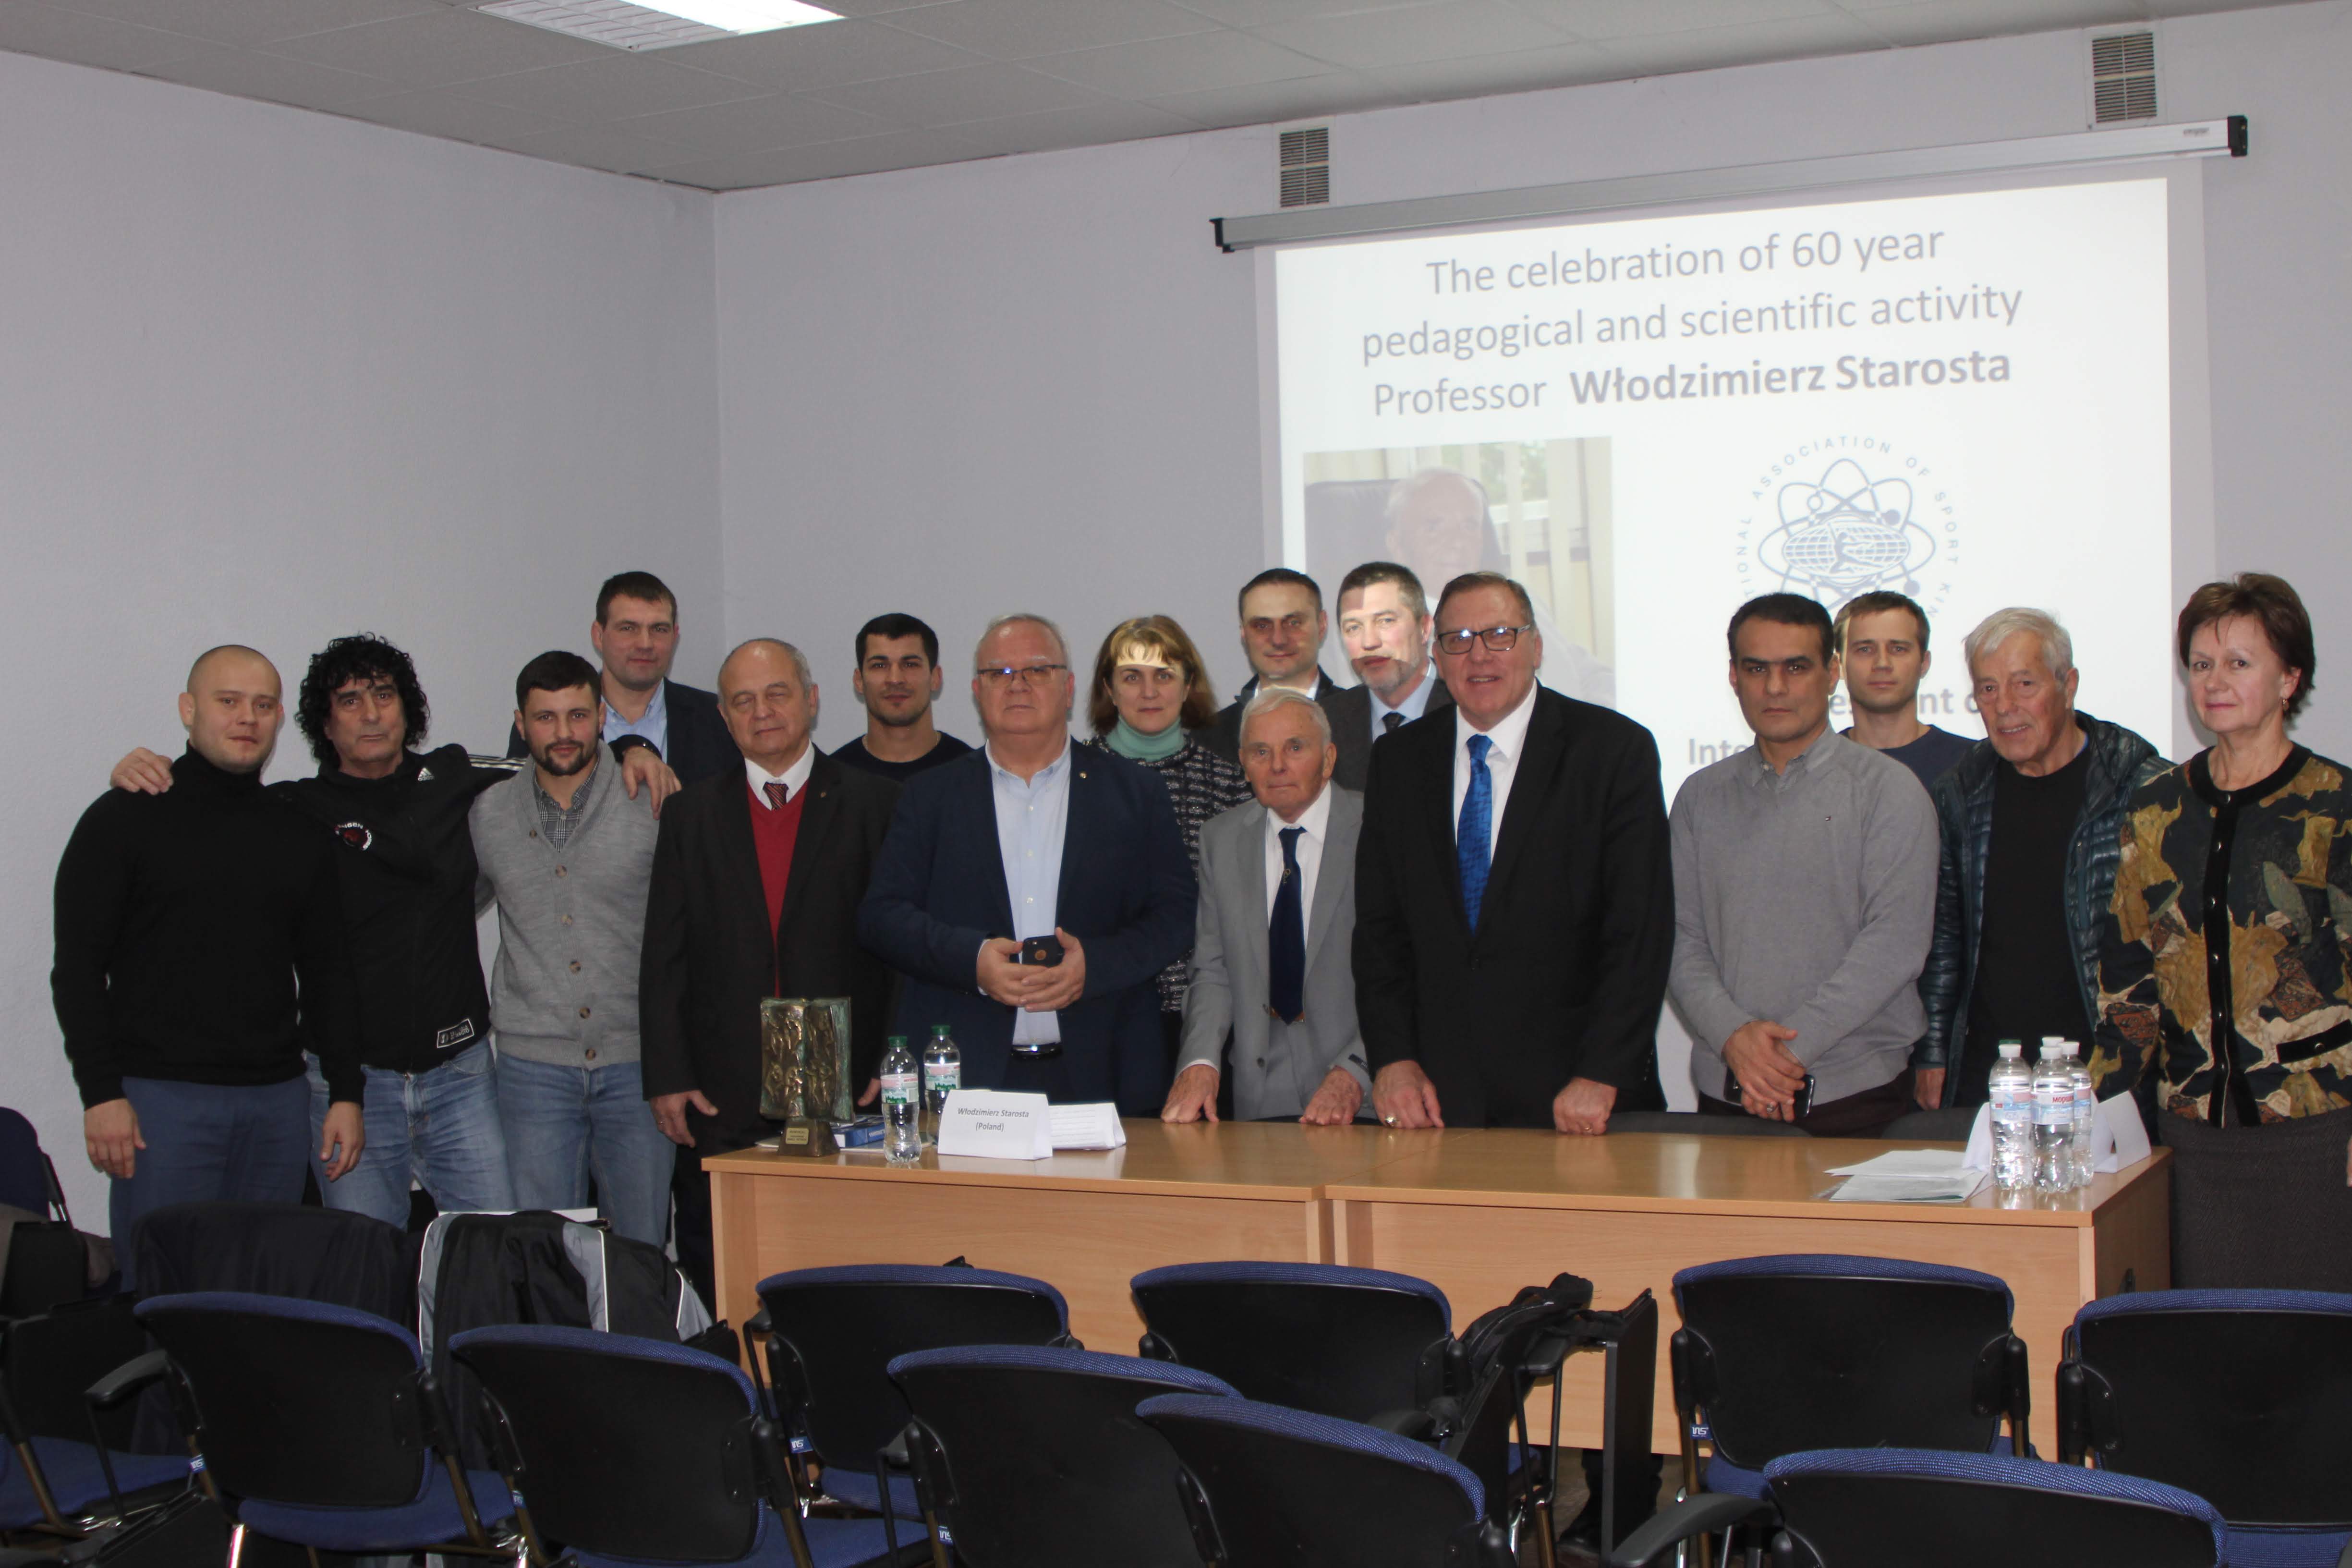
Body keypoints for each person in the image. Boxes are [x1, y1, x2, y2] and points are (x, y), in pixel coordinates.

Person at [107, 637, 675, 1230]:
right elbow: (219, 796)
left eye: (384, 695)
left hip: (461, 1077)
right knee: (365, 1262)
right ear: (324, 723)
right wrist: (152, 771)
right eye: (350, 701)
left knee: (492, 1255)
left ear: (407, 708)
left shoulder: (458, 776)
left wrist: (633, 747)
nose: (372, 714)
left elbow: (555, 758)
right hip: (351, 1086)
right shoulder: (295, 808)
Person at [1353, 570, 1671, 1550]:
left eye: (1496, 635)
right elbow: (1379, 933)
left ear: (1533, 644)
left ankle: (1614, 1519)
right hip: (1443, 1103)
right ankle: (1480, 1508)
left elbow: (1638, 929)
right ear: (1433, 655)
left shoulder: (1611, 748)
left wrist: (1604, 1068)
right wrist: (1392, 1060)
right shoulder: (1400, 761)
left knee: (1605, 1309)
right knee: (1471, 1315)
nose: (1477, 656)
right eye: (1456, 640)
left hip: (1583, 1096)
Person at [53, 647, 363, 1282]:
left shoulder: (298, 832)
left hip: (276, 1106)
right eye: (229, 701)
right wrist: (102, 1093)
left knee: (262, 1295)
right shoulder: (123, 817)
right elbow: (78, 970)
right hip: (161, 1106)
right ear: (188, 710)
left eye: (263, 704)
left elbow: (329, 972)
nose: (248, 717)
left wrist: (345, 1092)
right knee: (163, 1296)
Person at [2095, 573, 2352, 1291]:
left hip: (2314, 1128)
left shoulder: (2336, 805)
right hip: (2191, 1135)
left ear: (2288, 679)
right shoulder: (2156, 807)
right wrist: (2096, 1116)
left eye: (2239, 662)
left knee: (2313, 1341)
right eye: (2201, 664)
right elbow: (2127, 980)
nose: (2213, 681)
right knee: (2208, 1336)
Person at [640, 638, 900, 1308]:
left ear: (811, 701)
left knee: (839, 1260)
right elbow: (664, 954)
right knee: (724, 1255)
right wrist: (667, 1074)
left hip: (845, 1073)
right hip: (723, 1082)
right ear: (724, 718)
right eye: (743, 701)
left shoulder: (877, 804)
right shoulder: (691, 813)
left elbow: (901, 948)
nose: (762, 712)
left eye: (777, 694)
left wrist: (890, 1054)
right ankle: (730, 1367)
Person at [859, 614, 1195, 1114]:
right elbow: (882, 916)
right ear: (977, 691)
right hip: (970, 1073)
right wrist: (972, 961)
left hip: (1106, 1068)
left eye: (1037, 670)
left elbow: (1177, 914)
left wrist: (1094, 966)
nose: (1017, 684)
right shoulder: (930, 796)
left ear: (1069, 687)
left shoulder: (1135, 792)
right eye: (999, 673)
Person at [1673, 594, 1937, 1136]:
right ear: (1733, 677)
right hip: (1726, 1095)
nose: (1775, 687)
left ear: (1831, 673)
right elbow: (1679, 937)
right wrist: (1735, 1037)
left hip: (1857, 1102)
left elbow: (1895, 943)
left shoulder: (1888, 791)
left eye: (1795, 667)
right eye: (1756, 669)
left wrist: (1783, 1057)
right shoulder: (1700, 797)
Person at [1914, 609, 2165, 1109]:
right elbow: (1944, 939)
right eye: (1987, 689)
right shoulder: (1960, 793)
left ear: (2067, 686)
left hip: (2108, 1070)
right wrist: (1933, 1052)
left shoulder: (2144, 789)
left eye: (2024, 684)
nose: (2004, 706)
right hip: (1991, 1072)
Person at [473, 651, 672, 1247]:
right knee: (542, 1251)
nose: (563, 732)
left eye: (578, 715)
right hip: (532, 1071)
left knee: (639, 1249)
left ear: (603, 716)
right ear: (521, 723)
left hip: (638, 1066)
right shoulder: (488, 813)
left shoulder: (653, 801)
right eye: (545, 718)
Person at [1164, 688, 1370, 1124]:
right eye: (1261, 751)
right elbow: (1213, 970)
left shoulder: (1375, 828)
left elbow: (1408, 973)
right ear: (1243, 764)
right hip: (1257, 1097)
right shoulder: (1221, 839)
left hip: (1361, 1092)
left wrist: (1355, 1072)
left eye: (1295, 747)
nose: (1277, 765)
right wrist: (1199, 1062)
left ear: (1328, 759)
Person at [1082, 615, 1253, 1069]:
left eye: (1164, 675)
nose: (1149, 691)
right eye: (1131, 677)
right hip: (1100, 1006)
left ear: (1188, 685)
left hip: (1208, 1012)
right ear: (1109, 688)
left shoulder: (1230, 783)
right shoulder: (1074, 779)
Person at [1381, 468, 1614, 705]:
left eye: (1469, 526)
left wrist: (1595, 720)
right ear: (1397, 545)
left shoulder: (1518, 600)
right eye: (1434, 527)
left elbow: (1591, 675)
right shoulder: (1392, 640)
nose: (1457, 542)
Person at [507, 571, 740, 783]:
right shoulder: (545, 724)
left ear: (675, 636)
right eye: (628, 628)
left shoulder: (719, 718)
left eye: (659, 629)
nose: (645, 644)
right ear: (599, 636)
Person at [1201, 569, 1370, 789]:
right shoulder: (1208, 740)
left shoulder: (1365, 723)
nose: (1278, 639)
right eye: (1262, 626)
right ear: (1243, 633)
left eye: (1293, 623)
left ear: (1322, 625)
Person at [1834, 591, 1975, 790]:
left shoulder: (1974, 765)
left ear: (1924, 663)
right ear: (1838, 666)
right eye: (1865, 649)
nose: (1882, 664)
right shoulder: (1811, 769)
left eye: (1898, 649)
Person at [1323, 560, 1454, 748]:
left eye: (1386, 621)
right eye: (1354, 627)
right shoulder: (1326, 722)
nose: (1369, 642)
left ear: (1425, 628)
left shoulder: (1466, 706)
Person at [833, 612, 975, 782]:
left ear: (935, 678)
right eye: (879, 666)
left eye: (910, 665)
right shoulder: (831, 780)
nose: (895, 679)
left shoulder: (974, 774)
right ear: (859, 681)